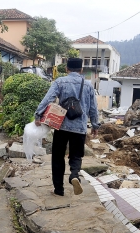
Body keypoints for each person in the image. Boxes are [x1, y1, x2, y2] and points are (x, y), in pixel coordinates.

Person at [34, 58, 99, 197]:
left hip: (61, 125)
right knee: (76, 155)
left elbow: (48, 99)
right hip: (80, 127)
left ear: (66, 69)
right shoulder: (88, 85)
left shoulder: (60, 81)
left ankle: (59, 189)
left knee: (58, 157)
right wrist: (95, 125)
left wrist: (38, 114)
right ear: (81, 70)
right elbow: (93, 108)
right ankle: (74, 175)